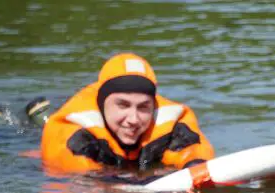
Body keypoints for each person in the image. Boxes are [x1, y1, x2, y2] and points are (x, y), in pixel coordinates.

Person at [40, 53, 214, 175]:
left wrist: (195, 167)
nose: (133, 119)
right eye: (123, 105)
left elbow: (193, 152)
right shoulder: (75, 136)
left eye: (143, 107)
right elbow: (82, 183)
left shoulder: (171, 121)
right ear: (102, 105)